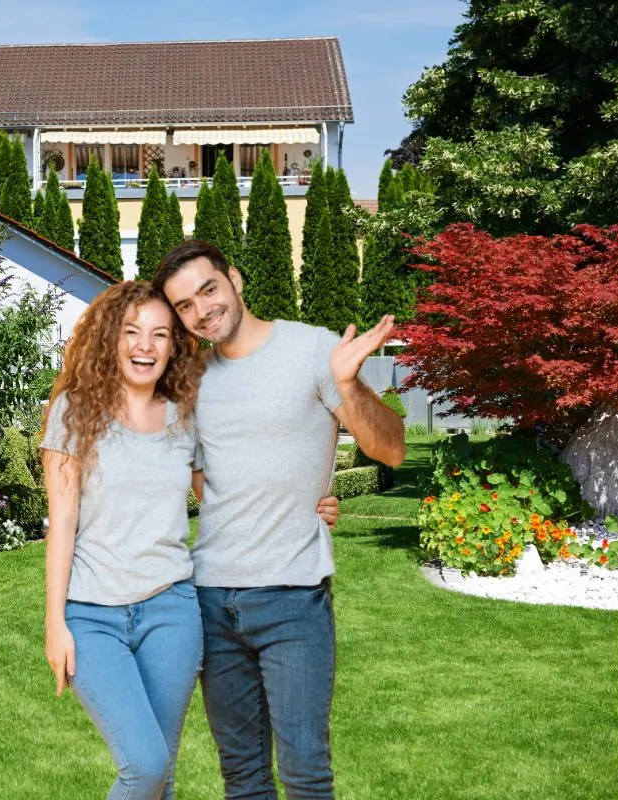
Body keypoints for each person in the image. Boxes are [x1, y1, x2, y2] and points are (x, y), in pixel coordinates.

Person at [41, 280, 340, 800]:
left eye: (160, 334)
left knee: (165, 772)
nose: (145, 345)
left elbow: (230, 489)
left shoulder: (184, 417)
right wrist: (55, 625)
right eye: (132, 332)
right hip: (91, 615)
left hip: (173, 613)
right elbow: (62, 521)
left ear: (174, 347)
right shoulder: (74, 411)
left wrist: (308, 499)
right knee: (145, 765)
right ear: (111, 338)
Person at [152, 240, 407, 800]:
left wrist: (347, 384)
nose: (201, 310)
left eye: (208, 290)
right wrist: (293, 491)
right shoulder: (191, 382)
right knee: (241, 776)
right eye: (185, 306)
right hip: (212, 601)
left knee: (305, 772)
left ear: (235, 281)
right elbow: (207, 483)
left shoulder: (314, 350)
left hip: (295, 599)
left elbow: (391, 450)